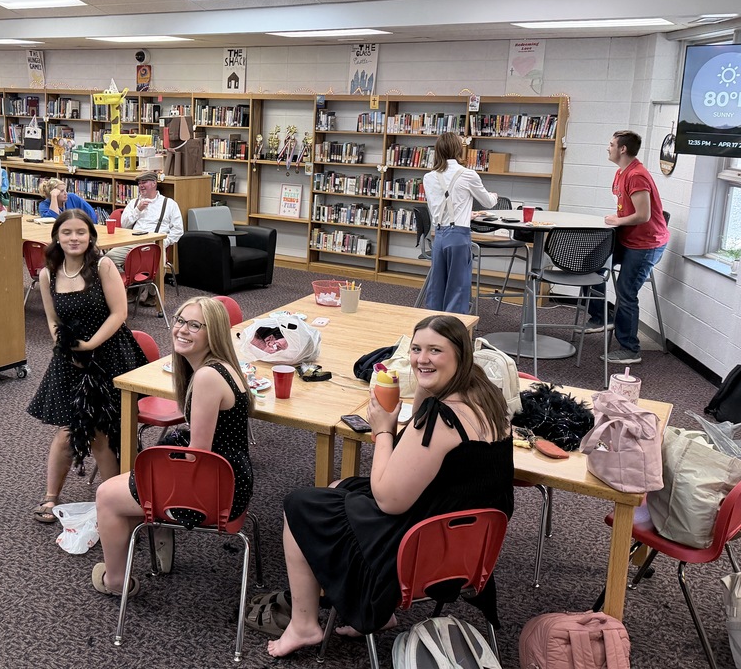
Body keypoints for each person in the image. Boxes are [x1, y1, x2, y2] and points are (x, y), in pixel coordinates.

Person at [253, 314, 513, 657]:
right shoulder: (484, 396)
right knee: (340, 485)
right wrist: (425, 379)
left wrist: (383, 430)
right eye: (417, 349)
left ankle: (304, 624)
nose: (422, 358)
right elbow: (421, 434)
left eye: (435, 350)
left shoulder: (444, 419)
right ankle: (376, 614)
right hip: (464, 544)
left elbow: (389, 500)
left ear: (460, 356)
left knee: (299, 504)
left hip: (416, 547)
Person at [91, 296, 254, 597]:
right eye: (180, 320)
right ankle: (159, 535)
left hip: (215, 489)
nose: (181, 329)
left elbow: (197, 456)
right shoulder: (222, 367)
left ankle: (115, 582)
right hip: (231, 476)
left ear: (213, 333)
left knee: (106, 496)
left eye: (195, 325)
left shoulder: (207, 377)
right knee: (133, 482)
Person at [26, 209, 146, 523]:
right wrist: (64, 344)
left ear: (90, 236)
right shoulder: (47, 274)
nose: (74, 238)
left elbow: (120, 314)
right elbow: (53, 320)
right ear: (56, 237)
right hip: (69, 358)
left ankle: (114, 501)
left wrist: (90, 344)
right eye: (67, 233)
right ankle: (51, 498)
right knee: (68, 429)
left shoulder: (103, 266)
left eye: (80, 232)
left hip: (108, 355)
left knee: (101, 432)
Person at [586, 130, 669, 365]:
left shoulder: (637, 175)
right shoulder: (620, 173)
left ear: (623, 149)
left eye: (611, 144)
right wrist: (619, 218)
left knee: (625, 290)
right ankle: (600, 317)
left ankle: (630, 349)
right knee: (591, 264)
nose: (608, 147)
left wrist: (617, 220)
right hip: (628, 237)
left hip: (647, 243)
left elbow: (643, 215)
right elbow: (626, 208)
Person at [422, 131, 497, 314]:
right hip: (458, 237)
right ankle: (453, 332)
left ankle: (433, 328)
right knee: (458, 288)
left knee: (437, 287)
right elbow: (487, 202)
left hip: (439, 235)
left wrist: (464, 213)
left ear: (437, 150)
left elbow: (437, 207)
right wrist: (495, 196)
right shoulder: (468, 174)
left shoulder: (429, 177)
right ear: (458, 149)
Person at [105, 171, 183, 270]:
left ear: (154, 183)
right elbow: (124, 225)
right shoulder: (134, 203)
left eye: (144, 182)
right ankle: (125, 282)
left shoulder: (169, 204)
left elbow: (178, 230)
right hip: (132, 242)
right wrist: (138, 210)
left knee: (156, 269)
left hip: (155, 245)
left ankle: (148, 284)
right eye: (139, 183)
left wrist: (164, 242)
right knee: (106, 260)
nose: (141, 186)